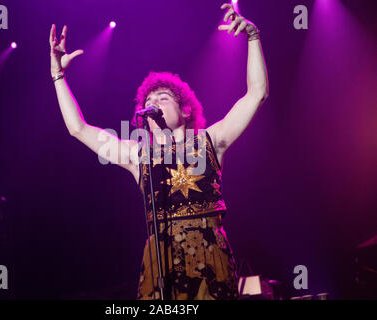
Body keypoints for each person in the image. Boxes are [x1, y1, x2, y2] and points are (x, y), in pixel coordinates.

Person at [50, 3, 268, 300]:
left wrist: (253, 38)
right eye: (150, 99)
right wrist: (58, 78)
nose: (155, 103)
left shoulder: (210, 140)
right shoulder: (138, 155)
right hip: (160, 258)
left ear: (185, 109)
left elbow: (256, 93)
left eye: (163, 97)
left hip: (209, 256)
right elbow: (79, 129)